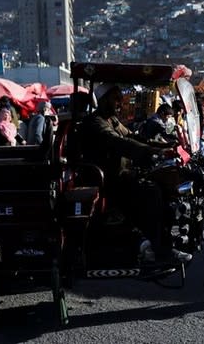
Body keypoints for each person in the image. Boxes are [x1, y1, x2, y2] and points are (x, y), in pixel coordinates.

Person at [80, 83, 191, 264]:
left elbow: (133, 137)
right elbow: (120, 143)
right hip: (110, 180)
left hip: (123, 175)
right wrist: (153, 152)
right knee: (152, 192)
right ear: (103, 100)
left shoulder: (112, 120)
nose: (120, 102)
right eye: (116, 98)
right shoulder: (96, 123)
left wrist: (165, 146)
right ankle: (159, 251)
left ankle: (164, 241)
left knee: (162, 186)